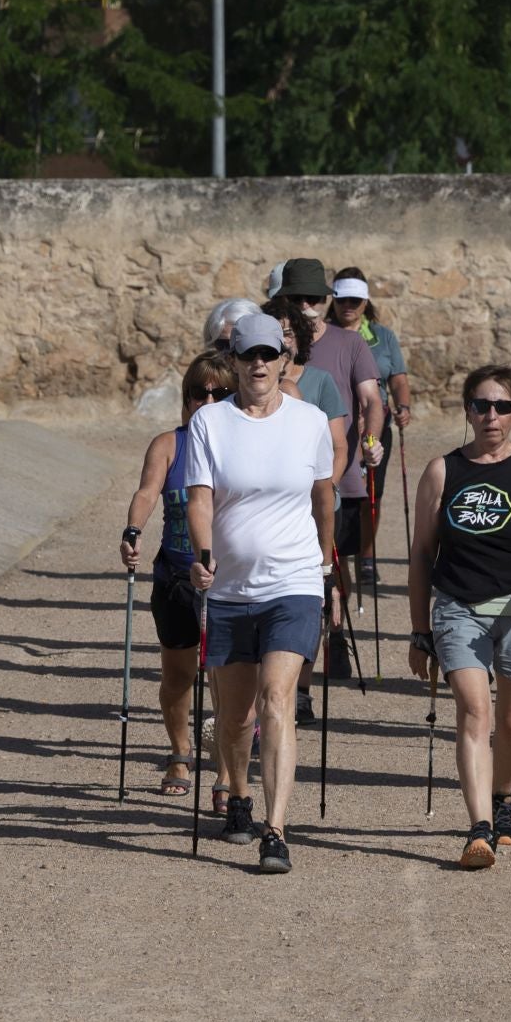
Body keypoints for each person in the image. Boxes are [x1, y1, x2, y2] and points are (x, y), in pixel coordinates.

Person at [407, 366, 511, 867]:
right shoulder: (443, 470)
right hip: (459, 606)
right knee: (475, 712)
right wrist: (420, 631)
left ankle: (503, 796)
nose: (492, 416)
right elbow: (420, 553)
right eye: (482, 406)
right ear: (467, 411)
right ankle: (478, 828)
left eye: (503, 407)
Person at [186, 314, 335, 875]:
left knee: (276, 701)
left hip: (294, 583)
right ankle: (239, 799)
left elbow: (323, 495)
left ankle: (275, 829)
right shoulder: (211, 422)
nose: (259, 365)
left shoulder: (310, 421)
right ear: (235, 360)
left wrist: (326, 560)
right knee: (234, 716)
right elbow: (201, 499)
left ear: (283, 359)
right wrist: (203, 556)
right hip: (228, 589)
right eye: (249, 355)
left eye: (269, 354)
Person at [121, 353, 237, 800]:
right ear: (186, 398)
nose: (209, 400)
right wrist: (133, 532)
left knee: (226, 679)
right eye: (199, 392)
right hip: (175, 575)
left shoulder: (238, 444)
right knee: (178, 675)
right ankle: (179, 752)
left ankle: (227, 771)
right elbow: (148, 491)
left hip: (225, 578)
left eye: (220, 392)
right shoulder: (170, 444)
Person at [278, 258, 384, 677]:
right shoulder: (267, 344)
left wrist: (371, 442)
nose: (307, 305)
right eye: (297, 298)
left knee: (334, 565)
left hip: (341, 477)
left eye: (314, 298)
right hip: (286, 486)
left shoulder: (350, 343)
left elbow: (371, 400)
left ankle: (334, 632)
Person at [264, 297, 348, 712]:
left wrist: (321, 489)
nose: (281, 340)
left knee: (308, 595)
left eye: (288, 332)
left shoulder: (315, 384)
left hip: (313, 502)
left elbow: (336, 446)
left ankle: (300, 689)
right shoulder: (248, 383)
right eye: (273, 332)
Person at [331, 269, 413, 587]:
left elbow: (399, 379)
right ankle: (336, 551)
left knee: (371, 493)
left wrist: (403, 406)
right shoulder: (324, 335)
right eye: (342, 299)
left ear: (365, 302)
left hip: (375, 426)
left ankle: (366, 554)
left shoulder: (383, 336)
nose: (348, 305)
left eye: (355, 300)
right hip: (337, 426)